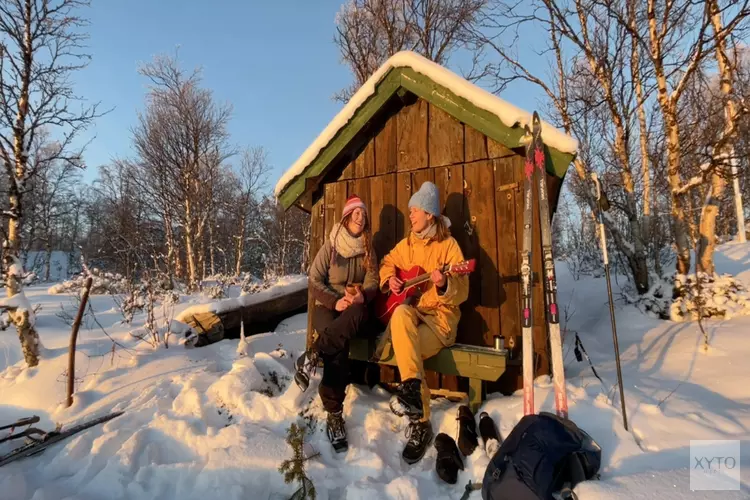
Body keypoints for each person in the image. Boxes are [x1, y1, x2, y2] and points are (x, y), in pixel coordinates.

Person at [377, 181, 469, 464]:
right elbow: (387, 262)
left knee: (409, 353)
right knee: (401, 313)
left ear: (429, 213)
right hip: (414, 317)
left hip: (440, 321)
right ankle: (417, 404)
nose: (411, 215)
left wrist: (443, 285)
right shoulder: (407, 244)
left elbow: (462, 290)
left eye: (414, 210)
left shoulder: (449, 246)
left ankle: (422, 421)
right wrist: (389, 278)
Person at [294, 194, 378, 453]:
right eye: (355, 213)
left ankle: (314, 353)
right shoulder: (331, 246)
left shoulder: (368, 247)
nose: (360, 217)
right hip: (328, 308)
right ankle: (334, 414)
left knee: (356, 315)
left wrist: (363, 295)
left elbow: (374, 279)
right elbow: (314, 281)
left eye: (363, 214)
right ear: (345, 216)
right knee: (338, 346)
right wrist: (334, 302)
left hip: (355, 310)